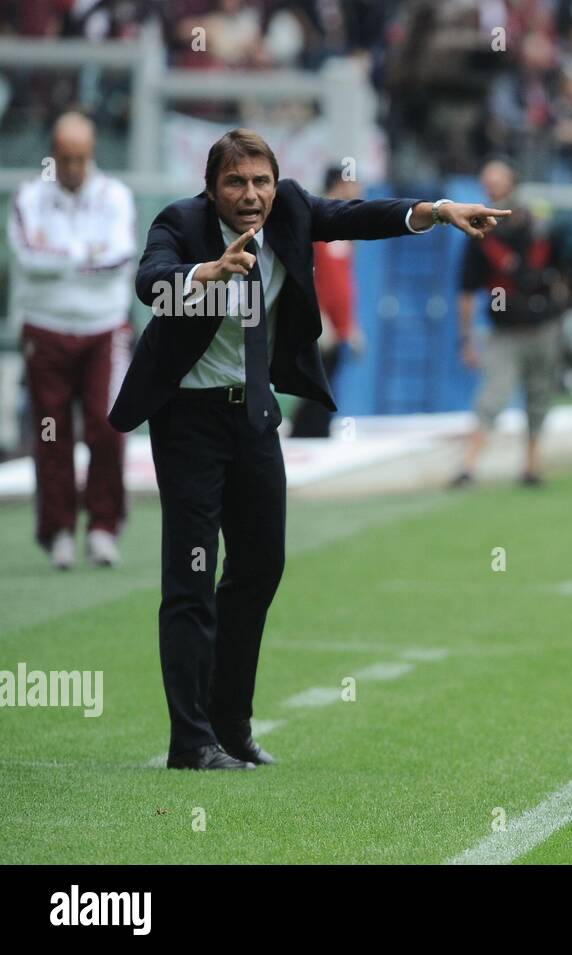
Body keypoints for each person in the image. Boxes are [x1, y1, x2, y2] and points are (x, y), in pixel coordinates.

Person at [108, 128, 508, 770]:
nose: (251, 194)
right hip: (189, 420)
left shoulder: (292, 206)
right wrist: (202, 274)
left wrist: (434, 211)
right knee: (190, 578)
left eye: (260, 181)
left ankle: (230, 727)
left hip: (257, 416)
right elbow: (150, 282)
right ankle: (191, 742)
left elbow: (357, 216)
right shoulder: (179, 223)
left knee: (260, 566)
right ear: (212, 188)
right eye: (236, 182)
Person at [7, 110, 135, 570]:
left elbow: (119, 257)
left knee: (106, 424)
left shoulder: (115, 196)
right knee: (51, 430)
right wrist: (85, 255)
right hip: (45, 328)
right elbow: (26, 258)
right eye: (66, 158)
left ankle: (103, 525)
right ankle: (59, 529)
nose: (74, 167)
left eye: (82, 157)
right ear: (52, 156)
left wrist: (59, 256)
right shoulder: (29, 198)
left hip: (105, 327)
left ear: (93, 154)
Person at [452, 159, 564, 488]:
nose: (492, 188)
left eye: (497, 181)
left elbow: (561, 273)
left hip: (542, 325)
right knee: (492, 397)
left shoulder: (537, 224)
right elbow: (467, 291)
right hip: (506, 330)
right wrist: (466, 339)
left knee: (539, 397)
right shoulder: (479, 232)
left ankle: (531, 466)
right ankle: (468, 467)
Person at [291, 164, 364, 438]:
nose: (359, 189)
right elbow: (306, 274)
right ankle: (302, 436)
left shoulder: (346, 228)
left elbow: (343, 279)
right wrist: (318, 314)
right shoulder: (315, 223)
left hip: (338, 325)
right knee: (314, 385)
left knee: (328, 382)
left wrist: (351, 325)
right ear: (341, 184)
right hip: (318, 323)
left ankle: (317, 433)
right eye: (355, 183)